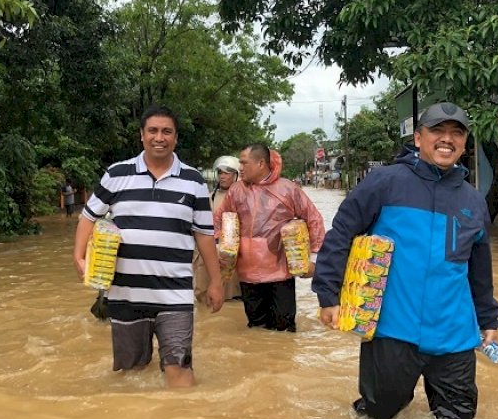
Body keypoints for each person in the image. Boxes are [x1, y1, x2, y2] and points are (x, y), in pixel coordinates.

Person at [311, 102, 498, 419]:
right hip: (392, 328)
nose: (447, 140)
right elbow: (342, 232)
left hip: (453, 333)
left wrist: (488, 318)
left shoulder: (472, 201)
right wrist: (328, 294)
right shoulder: (384, 182)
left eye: (456, 133)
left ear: (464, 143)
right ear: (418, 138)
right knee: (378, 414)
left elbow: (479, 268)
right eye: (437, 132)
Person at [73, 105, 224, 388]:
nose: (159, 137)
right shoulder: (118, 174)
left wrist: (216, 282)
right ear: (141, 136)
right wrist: (79, 257)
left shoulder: (193, 182)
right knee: (131, 375)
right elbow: (88, 217)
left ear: (176, 138)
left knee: (179, 372)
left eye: (167, 131)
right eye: (152, 131)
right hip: (125, 293)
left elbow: (205, 235)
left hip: (176, 294)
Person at [213, 144, 325, 332]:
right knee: (256, 329)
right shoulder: (236, 191)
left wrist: (314, 258)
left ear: (261, 163)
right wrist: (220, 247)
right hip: (247, 275)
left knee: (284, 331)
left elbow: (314, 220)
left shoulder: (288, 189)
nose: (240, 167)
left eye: (244, 163)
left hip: (280, 275)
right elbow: (219, 219)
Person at [193, 155, 242, 303]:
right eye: (220, 172)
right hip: (210, 248)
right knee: (203, 292)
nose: (222, 176)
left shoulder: (243, 197)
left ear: (236, 175)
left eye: (227, 173)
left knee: (232, 293)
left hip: (233, 253)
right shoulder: (209, 197)